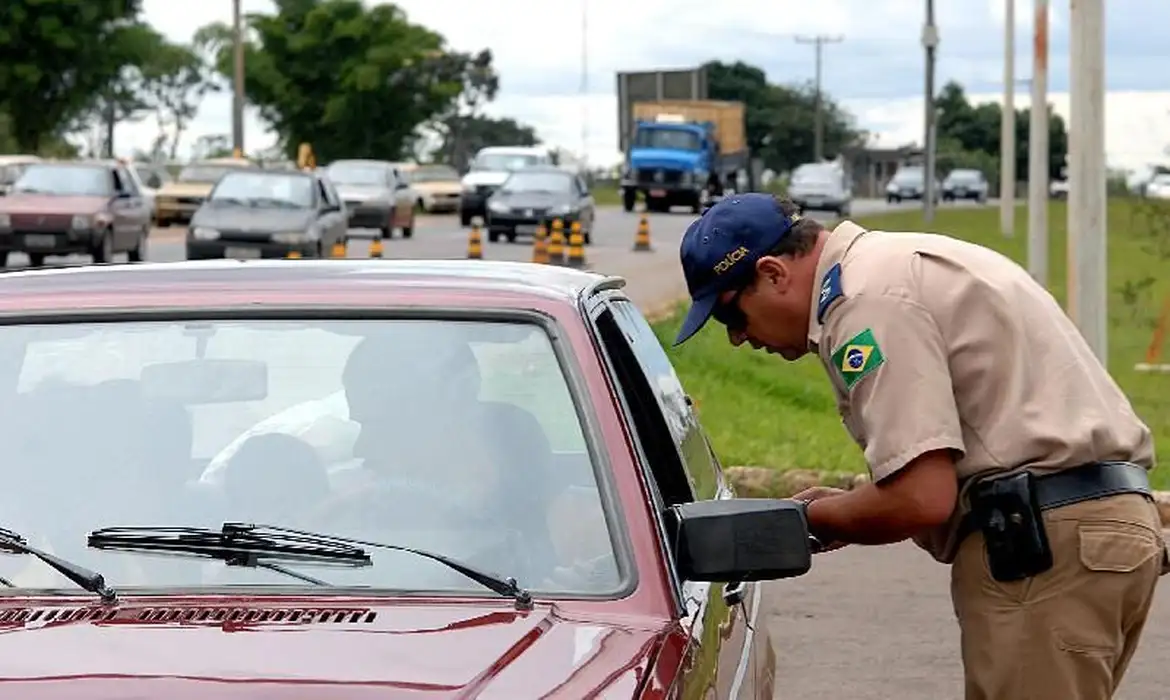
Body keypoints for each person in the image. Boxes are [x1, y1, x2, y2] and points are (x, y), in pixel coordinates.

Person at [672, 192, 1168, 700]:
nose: (736, 339)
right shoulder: (897, 262)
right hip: (1097, 529)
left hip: (1041, 545)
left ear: (774, 273)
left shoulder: (865, 300)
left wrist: (812, 519)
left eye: (730, 315)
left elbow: (921, 498)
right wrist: (849, 504)